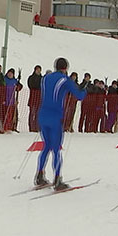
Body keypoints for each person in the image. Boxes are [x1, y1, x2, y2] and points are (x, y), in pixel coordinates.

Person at [34, 57, 86, 191]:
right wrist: (85, 89)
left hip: (42, 115)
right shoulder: (65, 80)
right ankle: (57, 179)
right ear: (66, 68)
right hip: (55, 117)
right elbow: (79, 96)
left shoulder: (45, 78)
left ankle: (39, 175)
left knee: (46, 146)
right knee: (56, 149)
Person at [27, 65, 42, 132]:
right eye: (37, 70)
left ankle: (37, 127)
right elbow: (31, 85)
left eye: (39, 70)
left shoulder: (42, 78)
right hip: (33, 97)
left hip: (39, 98)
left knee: (38, 114)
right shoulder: (31, 78)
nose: (38, 71)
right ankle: (31, 127)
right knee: (32, 113)